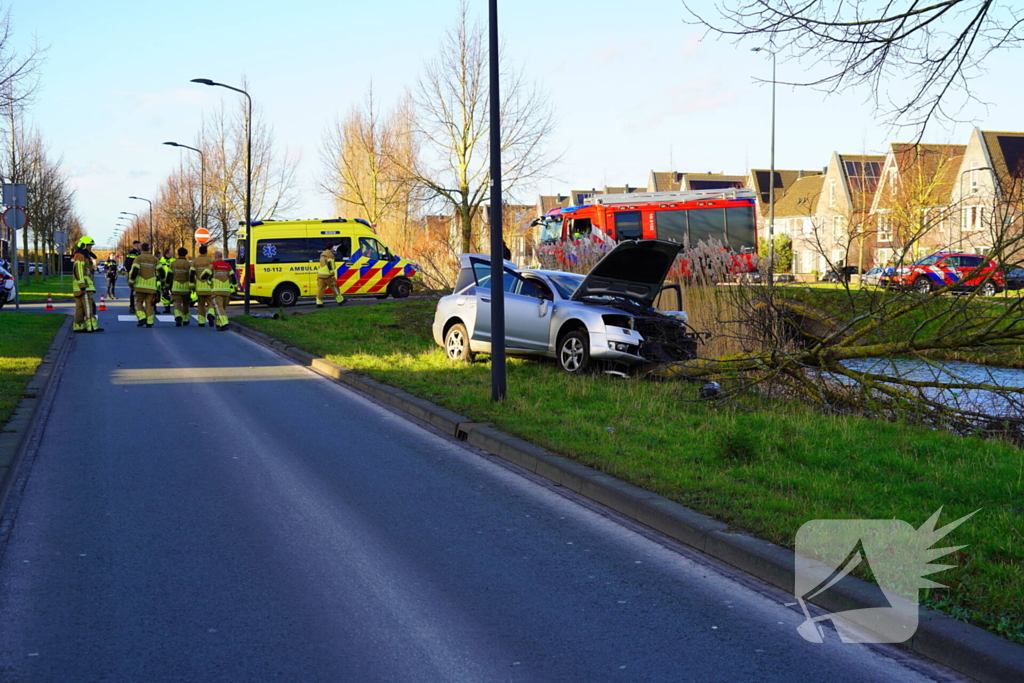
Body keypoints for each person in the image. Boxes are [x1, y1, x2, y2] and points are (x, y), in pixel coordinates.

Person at [72, 236, 103, 333]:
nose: (90, 247)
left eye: (91, 245)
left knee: (80, 308)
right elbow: (79, 271)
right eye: (89, 245)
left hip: (80, 286)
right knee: (89, 307)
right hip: (84, 287)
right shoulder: (81, 256)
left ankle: (78, 326)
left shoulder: (83, 255)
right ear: (83, 245)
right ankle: (92, 326)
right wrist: (82, 286)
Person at [128, 242, 160, 328]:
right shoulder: (154, 259)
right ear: (149, 249)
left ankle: (142, 317)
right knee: (150, 304)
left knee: (138, 302)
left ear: (141, 249)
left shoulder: (138, 258)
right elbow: (161, 272)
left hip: (139, 286)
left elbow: (135, 270)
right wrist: (162, 282)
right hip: (151, 286)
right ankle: (150, 322)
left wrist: (131, 282)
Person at [210, 250, 238, 331]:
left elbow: (204, 275)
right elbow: (233, 277)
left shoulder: (213, 265)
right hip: (226, 291)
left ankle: (225, 323)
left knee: (218, 308)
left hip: (216, 291)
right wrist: (235, 288)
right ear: (221, 257)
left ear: (215, 257)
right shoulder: (228, 266)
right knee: (222, 308)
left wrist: (209, 280)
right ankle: (219, 324)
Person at [167, 247, 195, 327]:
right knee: (186, 303)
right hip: (186, 287)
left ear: (178, 254)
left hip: (176, 286)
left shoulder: (173, 263)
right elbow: (192, 276)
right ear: (186, 254)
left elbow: (169, 276)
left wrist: (167, 285)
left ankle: (178, 316)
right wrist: (192, 286)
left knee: (177, 303)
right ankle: (186, 319)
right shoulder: (188, 264)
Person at [191, 244, 215, 327]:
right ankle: (211, 314)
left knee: (200, 304)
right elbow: (214, 273)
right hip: (209, 286)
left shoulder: (195, 261)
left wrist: (192, 285)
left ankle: (201, 321)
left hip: (199, 286)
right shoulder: (211, 260)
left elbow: (192, 274)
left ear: (199, 252)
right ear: (206, 251)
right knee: (211, 302)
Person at [316, 242, 345, 307]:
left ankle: (319, 303)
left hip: (320, 274)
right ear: (332, 248)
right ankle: (340, 300)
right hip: (327, 274)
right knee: (334, 287)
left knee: (320, 289)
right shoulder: (330, 254)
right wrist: (332, 274)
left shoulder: (322, 254)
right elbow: (330, 264)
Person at [124, 241, 141, 314]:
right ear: (136, 245)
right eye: (140, 245)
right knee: (133, 291)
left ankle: (137, 306)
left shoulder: (140, 253)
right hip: (133, 274)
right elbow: (127, 264)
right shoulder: (131, 254)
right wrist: (131, 272)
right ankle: (132, 307)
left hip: (140, 275)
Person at [158, 249, 174, 314]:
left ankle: (176, 306)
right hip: (164, 280)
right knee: (165, 295)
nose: (172, 254)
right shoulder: (160, 261)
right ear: (167, 253)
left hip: (172, 279)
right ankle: (167, 308)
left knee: (174, 294)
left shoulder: (173, 260)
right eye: (171, 253)